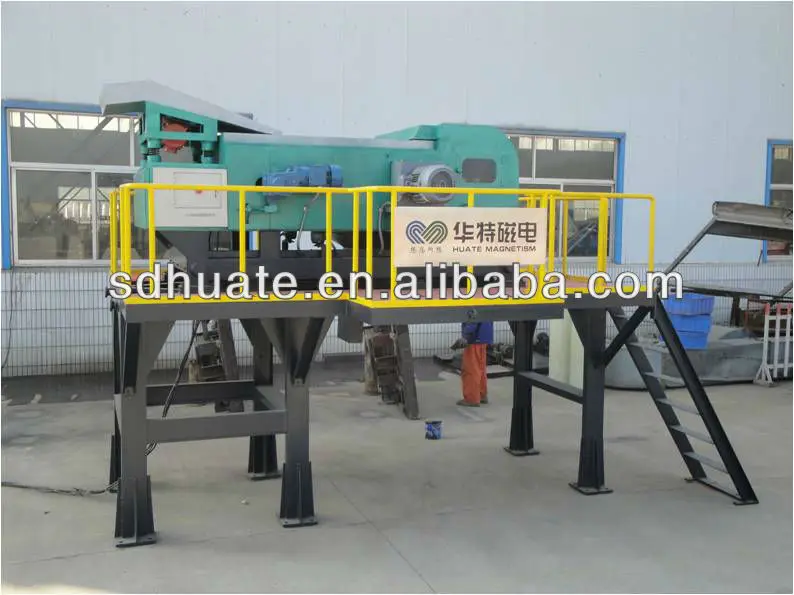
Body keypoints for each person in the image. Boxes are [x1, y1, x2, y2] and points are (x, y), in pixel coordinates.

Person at [450, 321, 493, 407]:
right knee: (481, 368)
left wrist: (465, 336)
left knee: (470, 369)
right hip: (483, 336)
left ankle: (471, 399)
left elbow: (473, 318)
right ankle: (481, 395)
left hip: (474, 338)